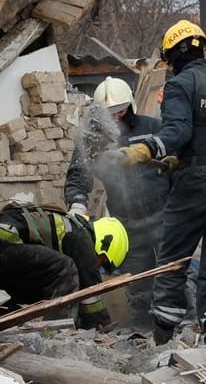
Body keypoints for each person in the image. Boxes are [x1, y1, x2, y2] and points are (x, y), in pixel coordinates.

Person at [118, 19, 206, 353]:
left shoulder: (180, 85)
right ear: (202, 48)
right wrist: (180, 159)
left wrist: (146, 149)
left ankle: (162, 338)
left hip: (196, 187)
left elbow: (177, 132)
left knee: (172, 261)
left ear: (173, 56)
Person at [64, 77, 169, 324]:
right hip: (128, 226)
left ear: (130, 105)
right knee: (139, 287)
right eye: (109, 114)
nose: (116, 118)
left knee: (174, 278)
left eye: (120, 111)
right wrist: (77, 203)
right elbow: (78, 175)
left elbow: (178, 166)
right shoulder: (93, 141)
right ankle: (141, 335)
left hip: (166, 219)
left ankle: (184, 331)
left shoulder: (153, 128)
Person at [0, 205, 126, 330]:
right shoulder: (82, 237)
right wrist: (103, 328)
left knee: (40, 291)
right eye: (102, 262)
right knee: (65, 269)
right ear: (104, 244)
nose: (98, 267)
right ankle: (57, 335)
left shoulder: (70, 228)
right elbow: (91, 295)